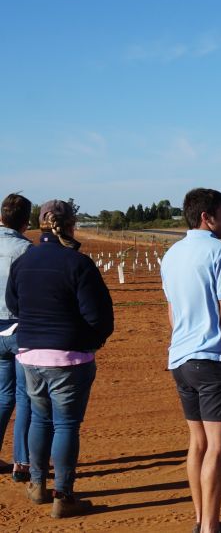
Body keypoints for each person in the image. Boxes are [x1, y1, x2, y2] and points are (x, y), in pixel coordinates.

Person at [5, 198, 114, 518]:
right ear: (70, 225)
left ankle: (38, 485)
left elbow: (14, 304)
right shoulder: (77, 263)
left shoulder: (23, 261)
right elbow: (99, 316)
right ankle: (63, 496)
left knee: (40, 419)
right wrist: (93, 343)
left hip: (30, 356)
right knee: (66, 424)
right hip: (69, 357)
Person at [160, 188, 221, 533]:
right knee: (219, 449)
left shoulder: (171, 255)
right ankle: (211, 527)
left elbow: (171, 310)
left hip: (181, 358)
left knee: (198, 443)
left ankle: (201, 520)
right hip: (212, 358)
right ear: (206, 217)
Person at [0, 193, 32, 484]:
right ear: (26, 221)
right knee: (24, 397)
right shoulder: (26, 250)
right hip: (19, 328)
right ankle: (21, 464)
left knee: (2, 395)